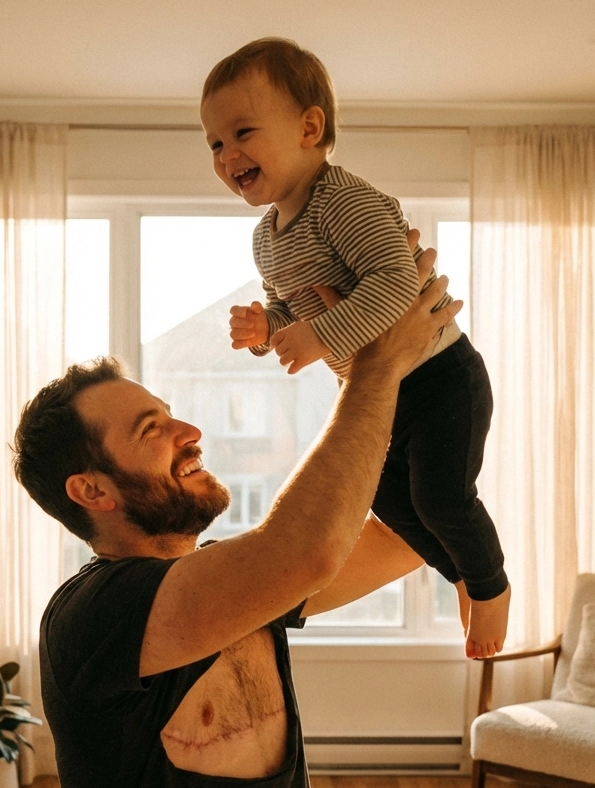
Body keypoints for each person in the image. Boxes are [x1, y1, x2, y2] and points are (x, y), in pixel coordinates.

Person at [12, 248, 461, 788]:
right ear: (92, 491)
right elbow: (306, 549)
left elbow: (415, 534)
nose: (187, 430)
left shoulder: (232, 586)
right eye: (150, 429)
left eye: (169, 414)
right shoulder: (95, 613)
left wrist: (416, 371)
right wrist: (374, 371)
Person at [200, 37, 510, 659]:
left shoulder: (343, 201)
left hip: (441, 375)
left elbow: (398, 282)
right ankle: (462, 576)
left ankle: (492, 585)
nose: (227, 154)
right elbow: (297, 305)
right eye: (213, 143)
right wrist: (269, 328)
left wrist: (320, 335)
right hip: (387, 388)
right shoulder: (266, 238)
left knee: (442, 495)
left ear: (310, 128)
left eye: (241, 133)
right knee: (391, 500)